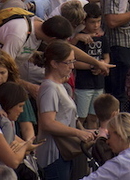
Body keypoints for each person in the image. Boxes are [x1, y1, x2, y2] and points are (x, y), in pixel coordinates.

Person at [36, 40, 98, 180]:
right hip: (54, 154)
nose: (72, 66)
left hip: (63, 152)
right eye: (68, 62)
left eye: (73, 61)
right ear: (54, 63)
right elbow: (48, 123)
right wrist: (78, 133)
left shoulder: (59, 86)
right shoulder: (49, 88)